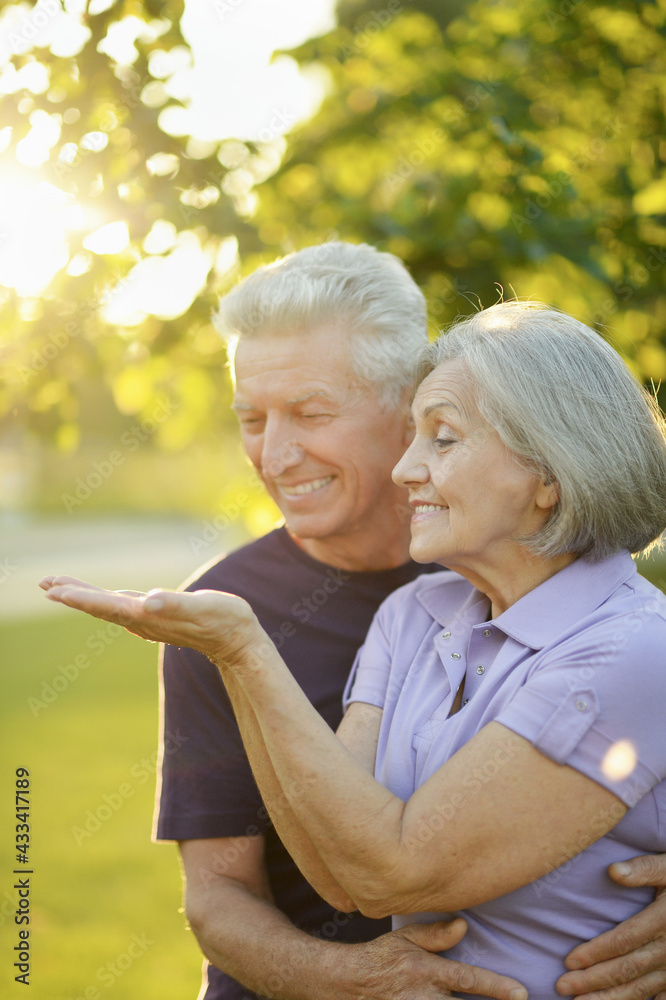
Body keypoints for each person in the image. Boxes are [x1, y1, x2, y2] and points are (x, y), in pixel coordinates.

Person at [41, 290, 666, 998]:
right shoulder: (417, 611)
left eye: (443, 437)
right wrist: (235, 651)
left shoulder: (630, 650)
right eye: (251, 418)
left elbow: (395, 870)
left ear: (548, 476)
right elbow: (342, 873)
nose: (407, 469)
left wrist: (244, 651)